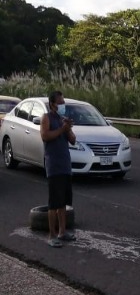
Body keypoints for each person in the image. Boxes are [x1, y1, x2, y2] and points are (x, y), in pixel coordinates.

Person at [40, 91, 77, 247]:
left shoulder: (62, 120)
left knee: (63, 202)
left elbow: (73, 140)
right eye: (59, 103)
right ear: (52, 104)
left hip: (65, 165)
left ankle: (62, 232)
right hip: (54, 165)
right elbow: (45, 136)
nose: (62, 105)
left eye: (63, 102)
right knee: (54, 202)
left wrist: (68, 128)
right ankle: (52, 235)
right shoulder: (46, 118)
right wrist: (62, 129)